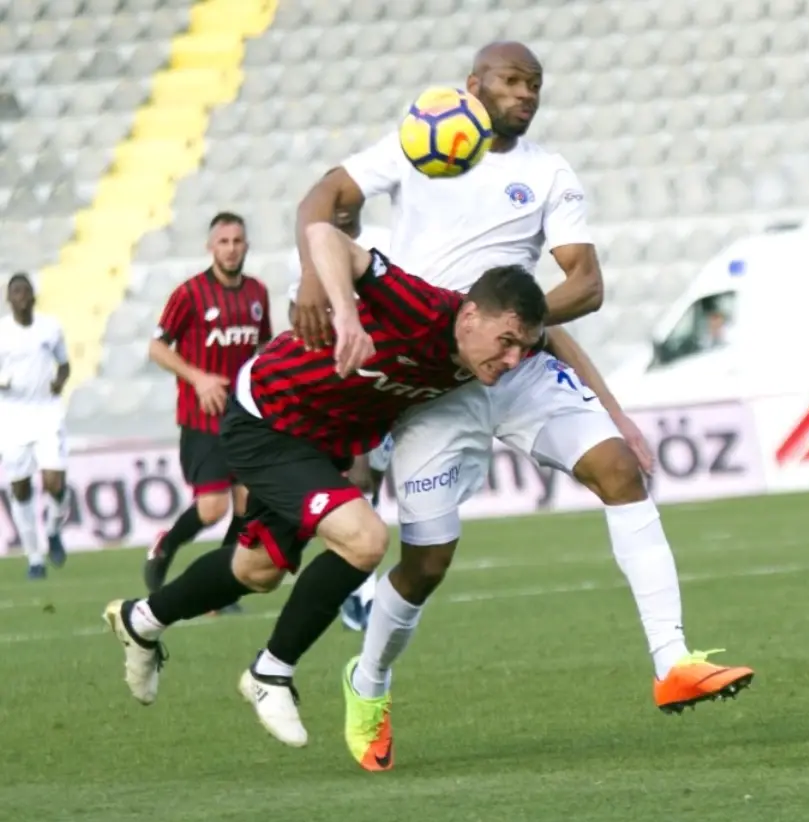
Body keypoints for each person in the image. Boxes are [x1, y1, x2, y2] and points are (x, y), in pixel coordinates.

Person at [293, 41, 753, 772]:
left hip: (519, 366)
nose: (526, 93)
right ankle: (369, 679)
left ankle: (672, 659)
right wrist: (315, 282)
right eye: (512, 81)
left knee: (619, 473)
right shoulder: (419, 143)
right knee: (427, 563)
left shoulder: (547, 174)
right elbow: (323, 199)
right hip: (433, 383)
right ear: (472, 85)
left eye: (535, 84)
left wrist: (515, 328)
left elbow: (588, 283)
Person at [103, 223, 548, 749]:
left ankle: (142, 618)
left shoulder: (483, 358)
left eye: (524, 347)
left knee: (257, 570)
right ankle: (271, 673)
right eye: (507, 341)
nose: (514, 359)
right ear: (471, 316)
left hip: (320, 440)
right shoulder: (423, 309)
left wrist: (611, 418)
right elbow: (323, 233)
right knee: (366, 538)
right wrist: (349, 312)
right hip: (267, 415)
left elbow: (554, 347)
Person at [144, 213, 272, 613]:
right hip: (202, 419)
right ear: (210, 247)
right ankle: (167, 544)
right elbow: (157, 348)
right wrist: (198, 378)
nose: (231, 248)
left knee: (248, 502)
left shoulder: (257, 294)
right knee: (212, 509)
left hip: (245, 416)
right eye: (224, 242)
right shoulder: (190, 294)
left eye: (237, 241)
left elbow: (263, 348)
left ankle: (222, 589)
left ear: (246, 246)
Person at [287, 207, 391, 631]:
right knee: (360, 481)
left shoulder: (383, 247)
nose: (344, 212)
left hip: (390, 385)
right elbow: (300, 324)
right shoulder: (314, 265)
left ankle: (353, 578)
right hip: (346, 388)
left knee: (375, 488)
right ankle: (364, 596)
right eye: (336, 208)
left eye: (351, 205)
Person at [0, 273, 70, 578]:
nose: (22, 295)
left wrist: (59, 381)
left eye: (26, 290)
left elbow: (65, 364)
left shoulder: (50, 328)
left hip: (46, 412)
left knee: (54, 481)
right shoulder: (2, 333)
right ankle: (34, 558)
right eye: (16, 291)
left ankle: (53, 530)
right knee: (20, 487)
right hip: (12, 417)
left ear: (34, 296)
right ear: (9, 298)